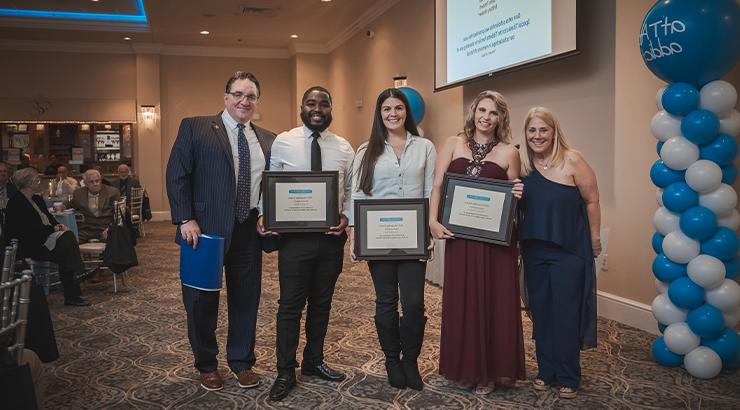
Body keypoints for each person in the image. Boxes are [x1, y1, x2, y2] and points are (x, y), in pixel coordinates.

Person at [166, 71, 276, 392]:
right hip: (203, 232)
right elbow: (177, 175)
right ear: (226, 97)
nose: (245, 101)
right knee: (201, 302)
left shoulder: (268, 139)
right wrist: (185, 217)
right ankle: (207, 364)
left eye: (251, 96)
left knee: (246, 300)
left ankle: (242, 362)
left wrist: (269, 214)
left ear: (257, 101)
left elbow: (272, 185)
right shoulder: (196, 127)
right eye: (239, 94)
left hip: (248, 231)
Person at [257, 86, 354, 401]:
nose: (317, 109)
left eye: (323, 104)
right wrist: (265, 216)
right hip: (295, 241)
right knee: (289, 307)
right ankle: (285, 371)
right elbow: (269, 181)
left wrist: (346, 217)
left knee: (322, 305)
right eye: (311, 103)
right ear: (302, 106)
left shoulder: (343, 148)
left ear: (330, 109)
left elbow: (352, 189)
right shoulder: (284, 141)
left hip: (330, 240)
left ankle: (313, 361)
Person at [430, 90, 525, 394]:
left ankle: (490, 372)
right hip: (460, 238)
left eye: (493, 112)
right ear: (473, 113)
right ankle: (464, 367)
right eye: (482, 110)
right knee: (462, 299)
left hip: (496, 243)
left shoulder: (510, 152)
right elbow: (437, 185)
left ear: (501, 118)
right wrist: (432, 221)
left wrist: (519, 195)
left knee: (495, 300)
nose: (486, 117)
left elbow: (514, 200)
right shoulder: (452, 143)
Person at [348, 88, 436, 390]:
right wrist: (355, 236)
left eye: (398, 108)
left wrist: (427, 232)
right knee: (385, 302)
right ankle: (391, 359)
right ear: (379, 113)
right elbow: (358, 195)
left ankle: (410, 360)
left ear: (406, 112)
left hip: (413, 239)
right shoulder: (366, 150)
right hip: (378, 239)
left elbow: (428, 193)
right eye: (386, 109)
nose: (393, 114)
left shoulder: (425, 147)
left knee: (413, 304)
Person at [518, 107, 600, 399]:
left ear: (554, 132)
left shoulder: (572, 160)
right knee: (541, 313)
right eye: (532, 130)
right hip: (534, 250)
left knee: (566, 313)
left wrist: (595, 239)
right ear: (525, 134)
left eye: (543, 130)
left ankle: (568, 375)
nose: (537, 136)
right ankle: (546, 370)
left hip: (569, 251)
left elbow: (592, 200)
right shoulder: (522, 167)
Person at [4, 167, 90, 306]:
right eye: (37, 180)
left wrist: (57, 225)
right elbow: (28, 230)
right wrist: (52, 229)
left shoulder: (37, 199)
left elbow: (49, 218)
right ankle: (75, 285)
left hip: (47, 240)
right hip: (32, 245)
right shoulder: (16, 203)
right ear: (29, 183)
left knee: (66, 245)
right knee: (67, 248)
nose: (39, 183)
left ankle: (74, 289)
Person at [64, 169, 120, 243]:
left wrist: (112, 227)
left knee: (115, 240)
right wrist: (62, 206)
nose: (95, 184)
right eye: (91, 182)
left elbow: (119, 213)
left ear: (101, 180)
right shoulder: (79, 193)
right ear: (85, 184)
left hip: (105, 227)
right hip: (86, 228)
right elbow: (71, 204)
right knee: (69, 241)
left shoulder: (112, 192)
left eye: (97, 181)